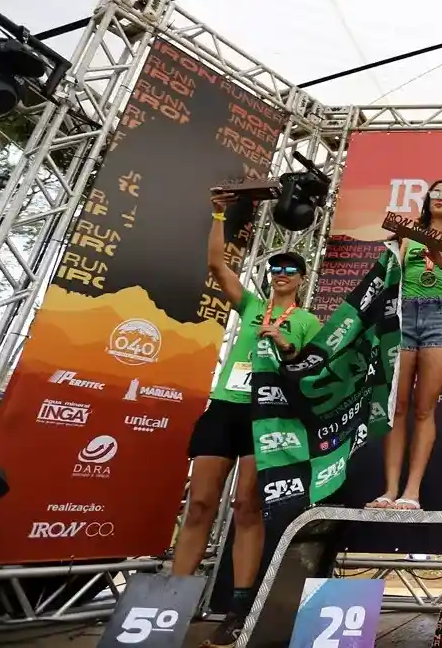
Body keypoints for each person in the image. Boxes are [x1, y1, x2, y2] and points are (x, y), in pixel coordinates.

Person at [175, 194, 323, 648]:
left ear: (302, 279)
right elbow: (217, 265)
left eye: (290, 269)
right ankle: (171, 603)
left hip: (269, 413)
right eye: (276, 268)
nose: (281, 273)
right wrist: (219, 213)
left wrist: (285, 344)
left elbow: (313, 372)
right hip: (226, 407)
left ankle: (239, 609)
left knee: (246, 507)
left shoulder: (307, 321)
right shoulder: (252, 307)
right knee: (200, 503)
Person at [367, 180, 442, 510]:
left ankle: (411, 492)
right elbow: (393, 274)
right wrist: (394, 248)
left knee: (424, 408)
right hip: (404, 312)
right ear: (427, 199)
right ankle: (389, 490)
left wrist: (441, 261)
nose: (439, 198)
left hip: (440, 314)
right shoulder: (410, 233)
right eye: (435, 193)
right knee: (397, 406)